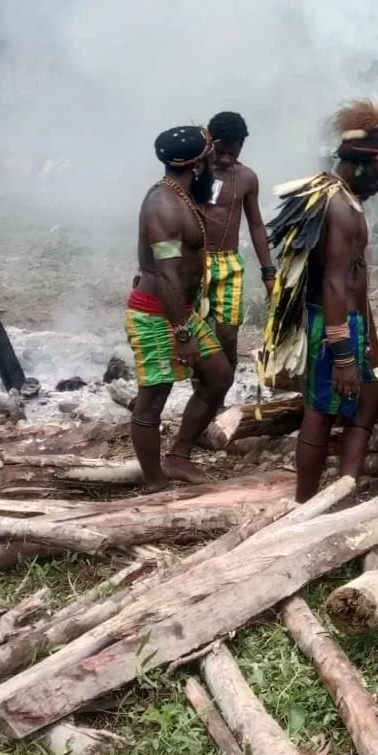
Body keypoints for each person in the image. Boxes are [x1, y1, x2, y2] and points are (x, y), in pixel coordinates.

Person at [260, 100, 378, 503]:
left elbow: (357, 279)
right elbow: (336, 283)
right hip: (331, 326)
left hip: (346, 325)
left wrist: (370, 342)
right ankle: (305, 503)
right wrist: (342, 355)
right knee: (319, 415)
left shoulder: (342, 199)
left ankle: (344, 491)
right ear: (357, 164)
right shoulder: (338, 207)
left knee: (367, 402)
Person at [124, 125, 233, 491]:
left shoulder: (181, 197)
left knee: (219, 375)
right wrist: (183, 332)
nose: (217, 164)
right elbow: (168, 274)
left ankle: (178, 457)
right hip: (159, 314)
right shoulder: (163, 206)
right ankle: (154, 483)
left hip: (179, 310)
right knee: (153, 399)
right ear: (198, 165)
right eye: (211, 159)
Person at [203, 111, 277, 373]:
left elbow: (256, 224)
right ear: (210, 141)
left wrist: (268, 272)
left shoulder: (246, 178)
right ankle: (201, 389)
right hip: (193, 260)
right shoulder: (192, 171)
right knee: (193, 330)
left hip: (228, 264)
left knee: (228, 333)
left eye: (231, 154)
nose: (224, 159)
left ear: (241, 147)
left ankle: (221, 393)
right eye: (220, 152)